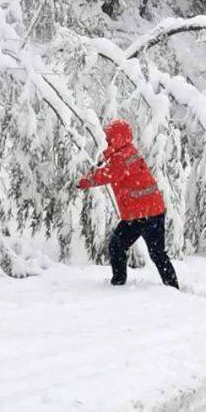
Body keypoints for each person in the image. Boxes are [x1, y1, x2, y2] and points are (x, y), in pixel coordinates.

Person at [77, 119, 179, 289]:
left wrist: (86, 181)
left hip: (144, 214)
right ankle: (171, 286)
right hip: (147, 213)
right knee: (156, 253)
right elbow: (114, 167)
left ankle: (119, 283)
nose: (107, 140)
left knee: (118, 247)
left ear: (118, 137)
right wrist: (107, 154)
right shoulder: (127, 151)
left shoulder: (122, 157)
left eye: (110, 137)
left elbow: (109, 174)